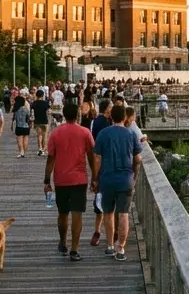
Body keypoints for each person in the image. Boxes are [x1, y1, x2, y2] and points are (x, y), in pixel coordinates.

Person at [91, 105, 142, 261]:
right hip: (125, 179)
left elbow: (97, 158)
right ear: (125, 118)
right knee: (124, 214)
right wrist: (134, 176)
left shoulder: (103, 134)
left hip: (107, 179)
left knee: (108, 213)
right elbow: (138, 159)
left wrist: (95, 178)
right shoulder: (131, 134)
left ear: (110, 117)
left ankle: (110, 246)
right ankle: (121, 248)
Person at [45, 102, 94, 261]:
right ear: (78, 115)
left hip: (61, 179)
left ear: (64, 115)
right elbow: (91, 156)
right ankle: (74, 249)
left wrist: (47, 180)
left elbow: (51, 158)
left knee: (63, 213)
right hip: (79, 179)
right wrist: (95, 176)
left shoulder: (55, 133)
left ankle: (62, 241)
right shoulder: (85, 132)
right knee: (77, 213)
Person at [87, 98, 112, 247]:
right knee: (109, 204)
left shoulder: (94, 122)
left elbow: (92, 145)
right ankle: (112, 237)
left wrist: (94, 175)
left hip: (98, 165)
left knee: (99, 203)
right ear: (107, 109)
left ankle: (97, 231)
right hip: (107, 166)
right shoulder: (107, 124)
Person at [31, 90, 51, 156]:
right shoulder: (45, 103)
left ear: (36, 95)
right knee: (45, 135)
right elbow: (49, 112)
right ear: (42, 95)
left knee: (39, 135)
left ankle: (40, 148)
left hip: (37, 121)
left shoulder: (34, 103)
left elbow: (32, 111)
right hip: (44, 121)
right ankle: (44, 150)